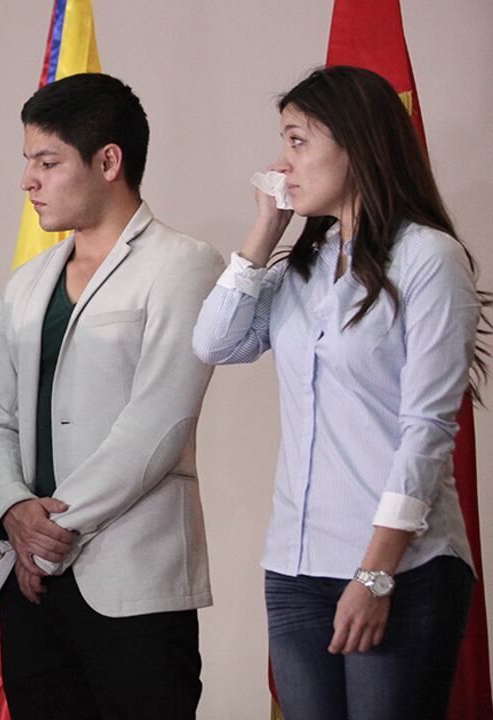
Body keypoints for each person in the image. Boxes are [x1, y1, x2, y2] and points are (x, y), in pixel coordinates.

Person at [193, 66, 485, 719]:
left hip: (400, 569)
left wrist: (375, 573)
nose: (280, 163)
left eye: (297, 141)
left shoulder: (428, 259)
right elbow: (214, 343)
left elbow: (427, 430)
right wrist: (265, 231)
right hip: (296, 570)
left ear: (354, 143)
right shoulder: (305, 267)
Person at [0, 72, 223, 719]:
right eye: (27, 161)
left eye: (47, 161)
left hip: (134, 583)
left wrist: (50, 529)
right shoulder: (26, 284)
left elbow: (159, 423)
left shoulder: (183, 264)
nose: (28, 180)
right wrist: (12, 514)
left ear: (109, 161)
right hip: (29, 582)